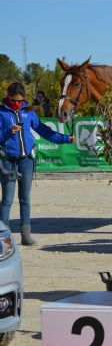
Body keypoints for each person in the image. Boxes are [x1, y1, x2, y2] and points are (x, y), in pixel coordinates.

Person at [0, 82, 75, 245]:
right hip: (7, 161)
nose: (17, 104)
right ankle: (3, 238)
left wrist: (65, 139)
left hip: (26, 160)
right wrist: (8, 132)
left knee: (25, 198)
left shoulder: (28, 112)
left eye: (20, 101)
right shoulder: (1, 113)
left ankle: (26, 236)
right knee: (7, 200)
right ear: (7, 97)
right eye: (14, 101)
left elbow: (44, 130)